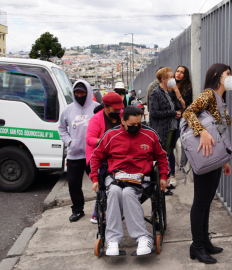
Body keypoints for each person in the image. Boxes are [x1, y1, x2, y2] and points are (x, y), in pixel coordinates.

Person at [90, 105, 169, 256]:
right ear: (123, 121)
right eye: (132, 125)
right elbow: (96, 157)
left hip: (141, 179)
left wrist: (164, 176)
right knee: (113, 191)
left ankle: (143, 237)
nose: (136, 127)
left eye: (139, 124)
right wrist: (94, 178)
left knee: (127, 192)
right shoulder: (111, 135)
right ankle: (113, 240)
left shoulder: (150, 135)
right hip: (116, 177)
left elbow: (162, 157)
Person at [182, 63, 232, 264]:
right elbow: (188, 112)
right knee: (201, 203)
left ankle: (205, 241)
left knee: (207, 201)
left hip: (215, 155)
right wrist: (201, 132)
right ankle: (197, 246)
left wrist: (225, 161)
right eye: (228, 74)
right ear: (217, 76)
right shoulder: (208, 94)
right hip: (205, 154)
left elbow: (220, 130)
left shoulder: (220, 98)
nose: (230, 78)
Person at [58, 80, 99, 222]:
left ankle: (100, 209)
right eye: (77, 92)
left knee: (99, 183)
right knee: (74, 184)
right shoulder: (68, 110)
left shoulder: (97, 108)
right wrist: (70, 141)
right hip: (74, 155)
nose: (80, 95)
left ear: (88, 92)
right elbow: (61, 129)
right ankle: (77, 210)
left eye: (82, 92)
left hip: (93, 155)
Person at [86, 92, 124, 223]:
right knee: (103, 180)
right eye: (115, 109)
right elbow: (89, 139)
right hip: (100, 156)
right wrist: (103, 141)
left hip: (119, 155)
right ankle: (98, 211)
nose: (118, 111)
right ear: (106, 108)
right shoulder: (96, 119)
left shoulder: (123, 115)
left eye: (119, 109)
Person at [149, 67, 182, 195]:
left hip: (171, 128)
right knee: (162, 157)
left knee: (167, 155)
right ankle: (161, 185)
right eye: (171, 77)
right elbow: (154, 112)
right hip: (162, 129)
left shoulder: (168, 92)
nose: (173, 79)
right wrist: (173, 113)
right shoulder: (156, 93)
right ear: (163, 79)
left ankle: (165, 182)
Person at [167, 65, 194, 187]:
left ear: (185, 75)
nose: (178, 74)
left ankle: (172, 174)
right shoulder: (168, 85)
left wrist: (176, 90)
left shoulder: (186, 87)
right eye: (177, 71)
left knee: (172, 146)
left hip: (178, 120)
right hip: (167, 118)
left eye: (182, 72)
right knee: (165, 148)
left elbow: (184, 105)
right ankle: (167, 173)